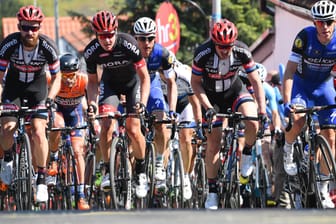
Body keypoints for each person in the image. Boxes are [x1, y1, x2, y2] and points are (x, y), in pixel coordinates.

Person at [191, 18, 266, 210]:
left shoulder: (241, 51)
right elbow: (195, 83)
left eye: (228, 46)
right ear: (214, 43)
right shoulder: (203, 53)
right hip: (211, 97)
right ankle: (213, 191)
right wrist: (207, 107)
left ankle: (247, 153)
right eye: (221, 46)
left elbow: (256, 82)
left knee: (252, 121)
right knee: (213, 144)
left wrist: (262, 110)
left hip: (234, 91)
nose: (225, 50)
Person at [84, 10, 150, 199]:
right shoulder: (91, 51)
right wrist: (92, 104)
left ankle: (141, 171)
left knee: (133, 127)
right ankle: (107, 169)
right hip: (110, 85)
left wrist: (142, 104)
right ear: (96, 35)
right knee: (106, 125)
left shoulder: (129, 44)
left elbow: (144, 77)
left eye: (110, 34)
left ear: (116, 31)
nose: (107, 40)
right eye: (102, 36)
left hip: (133, 85)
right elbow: (93, 82)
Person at [0, 5, 61, 203]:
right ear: (19, 26)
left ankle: (41, 179)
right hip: (13, 88)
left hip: (38, 89)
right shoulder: (9, 44)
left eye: (34, 28)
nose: (30, 32)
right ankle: (8, 158)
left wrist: (50, 100)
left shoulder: (47, 46)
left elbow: (57, 76)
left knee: (37, 130)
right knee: (8, 126)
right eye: (26, 27)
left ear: (40, 28)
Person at [282, 0, 336, 208]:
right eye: (320, 22)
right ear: (314, 22)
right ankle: (288, 146)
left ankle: (323, 189)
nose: (324, 27)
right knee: (297, 119)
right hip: (301, 87)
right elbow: (289, 72)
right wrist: (287, 101)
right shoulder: (305, 37)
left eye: (329, 22)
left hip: (324, 88)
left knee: (331, 136)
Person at [133, 17, 177, 193]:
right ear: (135, 39)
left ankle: (159, 162)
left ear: (155, 38)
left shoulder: (162, 54)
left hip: (152, 86)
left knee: (161, 122)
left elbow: (172, 83)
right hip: (133, 87)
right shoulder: (129, 53)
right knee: (130, 128)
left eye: (150, 38)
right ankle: (133, 173)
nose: (146, 43)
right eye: (142, 39)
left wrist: (172, 110)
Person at [46, 53, 90, 210]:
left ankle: (81, 195)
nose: (69, 79)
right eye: (65, 76)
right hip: (58, 112)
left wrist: (91, 108)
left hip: (75, 113)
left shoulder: (83, 80)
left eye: (72, 75)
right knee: (57, 124)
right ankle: (53, 157)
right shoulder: (52, 79)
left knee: (78, 152)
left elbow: (89, 97)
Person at [159, 54, 203, 200]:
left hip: (184, 104)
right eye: (161, 72)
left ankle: (185, 176)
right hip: (166, 103)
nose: (164, 75)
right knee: (163, 133)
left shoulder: (184, 74)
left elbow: (195, 103)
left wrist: (199, 125)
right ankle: (163, 173)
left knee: (186, 137)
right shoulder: (155, 75)